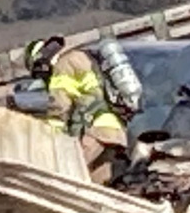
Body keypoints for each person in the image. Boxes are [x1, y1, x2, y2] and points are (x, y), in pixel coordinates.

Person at [44, 46, 130, 181]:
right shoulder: (87, 57)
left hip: (95, 133)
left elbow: (59, 105)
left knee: (68, 174)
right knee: (101, 183)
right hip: (115, 132)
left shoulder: (64, 64)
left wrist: (52, 137)